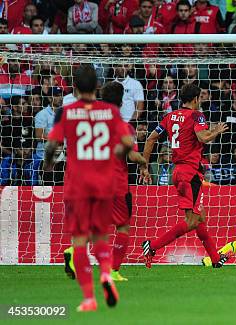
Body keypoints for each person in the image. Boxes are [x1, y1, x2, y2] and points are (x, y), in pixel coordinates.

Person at [43, 65, 134, 312]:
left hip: (77, 183)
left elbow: (52, 146)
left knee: (80, 240)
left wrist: (48, 165)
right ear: (96, 87)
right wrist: (111, 154)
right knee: (102, 236)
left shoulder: (66, 112)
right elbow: (127, 143)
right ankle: (106, 274)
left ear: (74, 87)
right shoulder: (110, 112)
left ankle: (88, 298)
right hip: (103, 182)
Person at [63, 81, 148, 283]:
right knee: (123, 227)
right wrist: (144, 161)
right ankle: (113, 270)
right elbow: (132, 156)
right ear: (121, 101)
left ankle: (74, 251)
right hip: (116, 184)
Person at [140, 83, 229, 268]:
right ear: (196, 99)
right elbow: (203, 138)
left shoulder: (170, 116)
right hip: (190, 174)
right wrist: (216, 131)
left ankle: (215, 258)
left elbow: (151, 139)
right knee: (192, 221)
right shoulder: (197, 115)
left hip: (178, 173)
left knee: (199, 218)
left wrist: (144, 166)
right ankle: (153, 246)